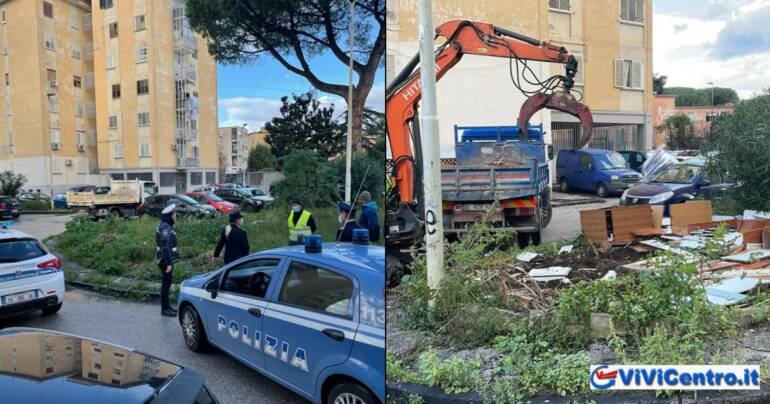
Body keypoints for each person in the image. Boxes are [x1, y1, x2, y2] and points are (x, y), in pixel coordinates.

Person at [155, 204, 180, 317]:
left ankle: (167, 306)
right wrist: (169, 263)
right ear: (169, 215)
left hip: (166, 260)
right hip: (165, 261)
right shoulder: (165, 228)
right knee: (166, 284)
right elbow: (165, 247)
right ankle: (165, 309)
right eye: (174, 214)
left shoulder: (165, 225)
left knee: (167, 284)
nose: (175, 215)